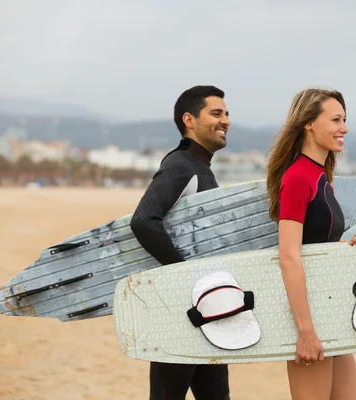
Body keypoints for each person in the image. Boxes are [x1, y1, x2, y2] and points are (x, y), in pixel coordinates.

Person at [266, 88, 356, 400]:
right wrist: (305, 331)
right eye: (336, 119)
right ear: (309, 124)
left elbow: (315, 246)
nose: (345, 128)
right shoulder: (298, 177)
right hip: (309, 318)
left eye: (345, 120)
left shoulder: (319, 176)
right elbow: (288, 255)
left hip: (330, 312)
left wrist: (347, 248)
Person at [130, 85, 231, 400]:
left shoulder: (200, 168)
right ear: (189, 119)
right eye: (216, 113)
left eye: (226, 114)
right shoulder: (181, 165)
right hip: (178, 311)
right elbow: (144, 220)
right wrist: (185, 274)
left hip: (205, 307)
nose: (225, 120)